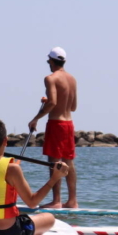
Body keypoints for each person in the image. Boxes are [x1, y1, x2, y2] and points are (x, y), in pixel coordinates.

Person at [0, 118, 68, 235]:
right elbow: (32, 202)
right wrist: (54, 178)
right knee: (49, 218)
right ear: (5, 141)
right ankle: (34, 231)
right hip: (9, 233)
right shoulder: (12, 169)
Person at [28, 46, 77, 208]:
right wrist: (49, 101)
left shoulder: (50, 79)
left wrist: (35, 119)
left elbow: (53, 103)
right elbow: (73, 107)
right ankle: (72, 201)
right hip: (69, 123)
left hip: (56, 124)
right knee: (68, 162)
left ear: (51, 61)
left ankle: (56, 201)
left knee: (54, 162)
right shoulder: (72, 79)